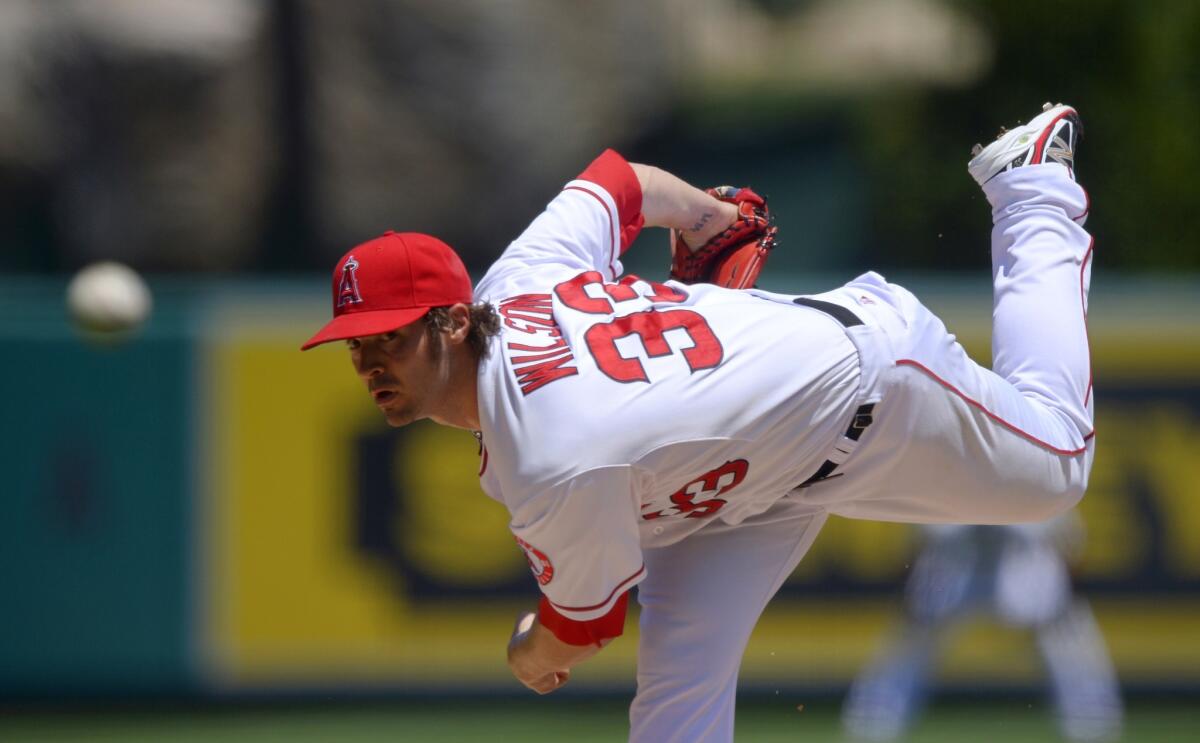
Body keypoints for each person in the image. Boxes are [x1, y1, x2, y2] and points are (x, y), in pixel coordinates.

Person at [301, 102, 1094, 743]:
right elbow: (619, 185)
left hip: (868, 384)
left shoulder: (547, 451)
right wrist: (707, 216)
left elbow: (575, 632)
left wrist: (525, 651)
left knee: (1059, 464)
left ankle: (1032, 193)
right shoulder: (520, 278)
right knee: (679, 694)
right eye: (355, 345)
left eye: (389, 337)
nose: (369, 362)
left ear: (448, 322)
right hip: (740, 475)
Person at [842, 516, 1123, 743]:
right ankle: (875, 720)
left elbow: (1063, 528)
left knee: (1064, 630)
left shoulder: (1030, 457)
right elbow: (921, 528)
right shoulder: (950, 455)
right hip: (954, 562)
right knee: (911, 636)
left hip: (1021, 562)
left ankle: (1091, 722)